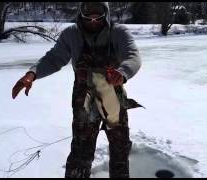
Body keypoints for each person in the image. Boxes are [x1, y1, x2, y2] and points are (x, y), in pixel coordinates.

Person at [12, 2, 142, 178]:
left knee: (120, 149)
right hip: (84, 99)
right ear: (81, 12)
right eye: (89, 14)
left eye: (99, 14)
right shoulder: (71, 34)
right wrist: (32, 74)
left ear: (106, 12)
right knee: (81, 150)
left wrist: (122, 73)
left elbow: (132, 56)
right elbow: (54, 59)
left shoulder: (118, 32)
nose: (94, 19)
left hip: (113, 98)